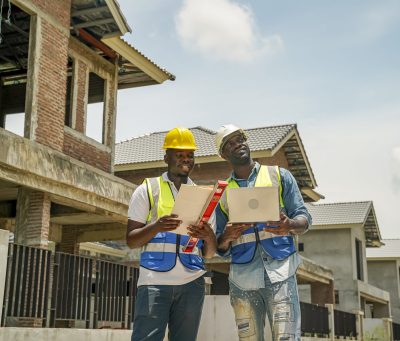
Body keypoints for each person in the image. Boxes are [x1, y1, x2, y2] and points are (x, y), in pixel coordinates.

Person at [215, 124, 312, 341]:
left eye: (239, 138)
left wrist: (289, 225)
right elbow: (218, 245)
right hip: (242, 279)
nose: (237, 144)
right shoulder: (221, 192)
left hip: (281, 271)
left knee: (286, 338)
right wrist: (227, 237)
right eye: (229, 143)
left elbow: (304, 217)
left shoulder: (279, 175)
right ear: (224, 154)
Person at [126, 127, 217, 341]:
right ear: (166, 156)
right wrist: (157, 226)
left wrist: (209, 235)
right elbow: (131, 240)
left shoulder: (205, 197)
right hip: (154, 281)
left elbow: (210, 254)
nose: (186, 159)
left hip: (192, 282)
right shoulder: (148, 189)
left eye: (190, 155)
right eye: (179, 155)